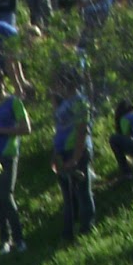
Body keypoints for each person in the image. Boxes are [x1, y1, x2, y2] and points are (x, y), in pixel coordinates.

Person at [0, 69, 31, 256]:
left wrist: (2, 131)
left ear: (4, 85)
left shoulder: (14, 102)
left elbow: (26, 129)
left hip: (8, 153)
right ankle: (5, 240)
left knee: (6, 195)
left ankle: (19, 239)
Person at [50, 65, 94, 244]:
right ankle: (68, 232)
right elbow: (59, 130)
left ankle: (87, 229)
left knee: (83, 191)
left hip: (76, 151)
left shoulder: (80, 102)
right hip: (62, 152)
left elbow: (82, 131)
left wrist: (76, 157)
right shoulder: (63, 103)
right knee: (68, 196)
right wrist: (54, 153)